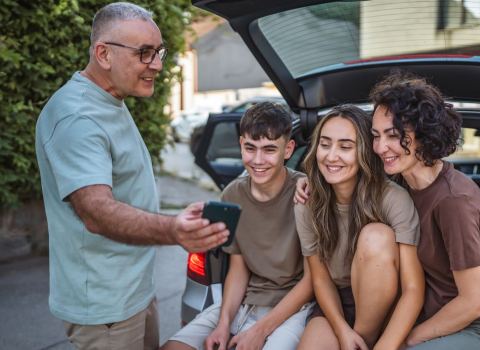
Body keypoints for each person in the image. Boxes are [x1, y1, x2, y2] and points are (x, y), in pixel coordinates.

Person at [34, 3, 228, 349]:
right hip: (107, 308)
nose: (157, 65)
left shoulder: (109, 100)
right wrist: (173, 229)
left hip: (133, 292)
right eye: (144, 53)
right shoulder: (77, 117)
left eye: (158, 52)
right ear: (104, 54)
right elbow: (95, 212)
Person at [369, 72, 480, 349]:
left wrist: (409, 339)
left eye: (393, 135)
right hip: (435, 313)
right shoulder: (399, 182)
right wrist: (305, 184)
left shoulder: (453, 201)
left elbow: (473, 302)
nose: (380, 147)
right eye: (376, 136)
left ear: (423, 135)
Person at [162, 102, 313, 350]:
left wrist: (259, 331)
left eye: (269, 150)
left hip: (294, 308)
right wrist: (224, 323)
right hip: (245, 301)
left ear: (288, 150)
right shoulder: (232, 195)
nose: (258, 160)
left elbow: (312, 281)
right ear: (241, 144)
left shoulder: (306, 192)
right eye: (250, 148)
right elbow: (238, 268)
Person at [295, 105, 424, 350]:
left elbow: (413, 288)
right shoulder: (306, 202)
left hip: (386, 304)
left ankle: (365, 338)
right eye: (325, 144)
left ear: (365, 151)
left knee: (375, 235)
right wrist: (343, 331)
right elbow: (320, 279)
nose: (331, 156)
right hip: (336, 304)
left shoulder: (393, 199)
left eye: (345, 147)